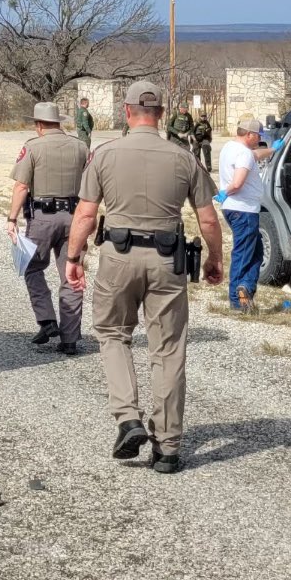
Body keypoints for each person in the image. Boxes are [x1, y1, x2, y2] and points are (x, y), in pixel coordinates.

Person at [64, 80, 223, 475]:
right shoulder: (184, 156)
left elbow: (85, 214)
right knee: (168, 350)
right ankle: (167, 447)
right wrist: (215, 259)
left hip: (118, 256)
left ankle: (128, 418)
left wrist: (74, 256)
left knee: (113, 333)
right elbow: (207, 217)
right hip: (168, 259)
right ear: (163, 114)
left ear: (127, 111)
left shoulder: (104, 154)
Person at [5, 101, 91, 355]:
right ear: (59, 122)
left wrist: (12, 219)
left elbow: (21, 186)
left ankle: (47, 320)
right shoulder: (81, 146)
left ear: (39, 125)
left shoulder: (33, 147)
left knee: (32, 267)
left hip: (43, 217)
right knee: (71, 274)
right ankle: (70, 338)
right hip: (75, 217)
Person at [215, 117, 270, 311]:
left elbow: (256, 155)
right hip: (243, 209)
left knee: (255, 252)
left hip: (235, 208)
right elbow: (238, 183)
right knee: (244, 253)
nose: (259, 139)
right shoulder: (244, 154)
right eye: (258, 136)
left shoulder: (230, 147)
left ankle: (246, 287)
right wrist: (226, 192)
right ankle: (237, 299)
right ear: (250, 135)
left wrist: (274, 149)